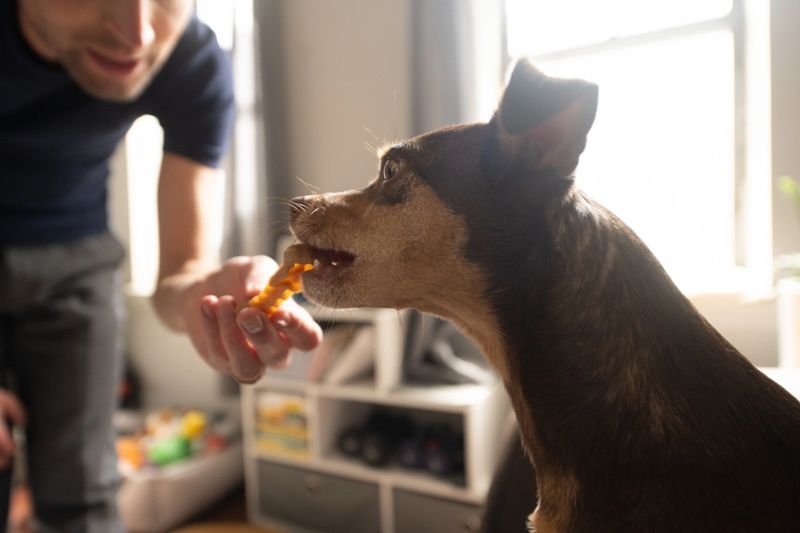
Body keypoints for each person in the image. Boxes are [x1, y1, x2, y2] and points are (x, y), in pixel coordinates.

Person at [0, 0, 322, 531]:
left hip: (79, 259)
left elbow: (179, 274)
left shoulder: (191, 61)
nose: (138, 33)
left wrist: (206, 292)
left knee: (84, 495)